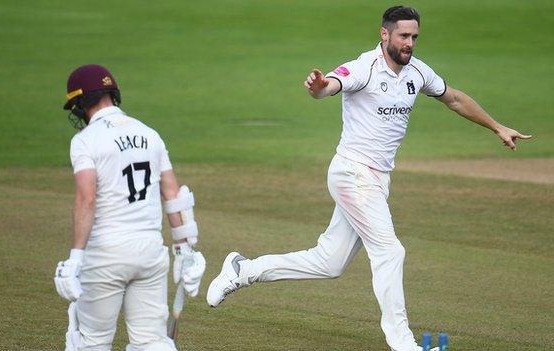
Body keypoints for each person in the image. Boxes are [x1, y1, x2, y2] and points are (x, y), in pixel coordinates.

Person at [206, 6, 531, 351]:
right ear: (385, 34)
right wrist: (317, 87)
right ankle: (404, 344)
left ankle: (243, 269)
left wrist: (497, 126)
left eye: (414, 37)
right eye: (404, 36)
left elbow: (453, 98)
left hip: (376, 179)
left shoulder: (416, 73)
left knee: (329, 262)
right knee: (390, 252)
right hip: (352, 173)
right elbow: (328, 85)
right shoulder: (364, 68)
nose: (409, 44)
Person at [53, 64, 206, 351]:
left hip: (106, 254)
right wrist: (185, 250)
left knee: (91, 342)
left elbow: (86, 199)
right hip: (150, 251)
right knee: (151, 342)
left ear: (80, 104)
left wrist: (75, 258)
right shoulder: (149, 134)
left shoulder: (85, 140)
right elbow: (173, 194)